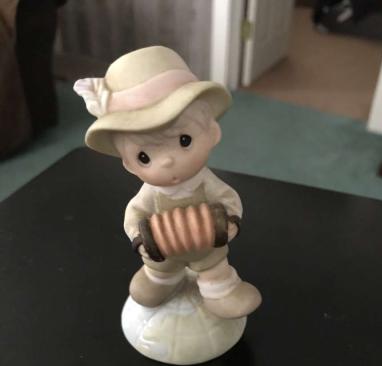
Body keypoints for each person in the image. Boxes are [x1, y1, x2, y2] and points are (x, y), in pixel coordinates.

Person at [74, 46, 261, 319]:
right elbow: (135, 213)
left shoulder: (206, 183)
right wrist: (141, 239)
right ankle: (160, 280)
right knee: (159, 269)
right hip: (163, 251)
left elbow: (227, 198)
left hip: (207, 247)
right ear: (128, 164)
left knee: (213, 265)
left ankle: (221, 290)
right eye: (144, 157)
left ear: (212, 132)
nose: (167, 162)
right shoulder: (149, 193)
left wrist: (230, 221)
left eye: (184, 141)